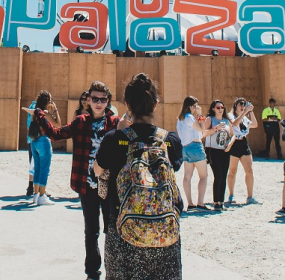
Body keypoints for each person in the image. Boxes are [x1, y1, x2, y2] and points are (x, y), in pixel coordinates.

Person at [94, 73, 183, 280]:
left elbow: (97, 171)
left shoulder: (114, 139)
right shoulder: (170, 140)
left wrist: (119, 134)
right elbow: (175, 168)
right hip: (164, 232)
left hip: (123, 231)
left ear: (127, 104)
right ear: (156, 104)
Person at [37, 80, 119, 280]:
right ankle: (92, 272)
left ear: (108, 101)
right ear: (88, 100)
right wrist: (40, 115)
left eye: (103, 99)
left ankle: (114, 271)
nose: (99, 103)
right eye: (95, 99)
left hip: (110, 186)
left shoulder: (115, 123)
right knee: (91, 231)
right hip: (86, 185)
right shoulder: (80, 121)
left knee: (112, 231)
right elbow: (56, 134)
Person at [175, 96, 216, 211]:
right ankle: (200, 203)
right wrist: (200, 115)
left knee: (187, 176)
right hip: (195, 146)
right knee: (203, 176)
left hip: (185, 147)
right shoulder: (189, 117)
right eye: (195, 106)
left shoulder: (180, 119)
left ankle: (190, 203)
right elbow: (202, 129)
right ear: (190, 106)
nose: (196, 108)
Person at [225, 98, 258, 206]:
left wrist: (251, 112)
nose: (242, 106)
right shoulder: (230, 115)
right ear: (235, 105)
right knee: (232, 170)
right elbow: (234, 124)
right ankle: (231, 195)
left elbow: (254, 124)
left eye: (244, 105)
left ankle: (250, 196)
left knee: (249, 170)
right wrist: (244, 112)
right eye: (240, 104)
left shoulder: (244, 118)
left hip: (243, 143)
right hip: (234, 143)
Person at [27, 90, 57, 205]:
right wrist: (55, 110)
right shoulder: (45, 113)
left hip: (34, 141)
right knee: (44, 169)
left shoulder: (35, 112)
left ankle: (35, 194)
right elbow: (58, 124)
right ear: (47, 101)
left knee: (37, 169)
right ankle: (42, 195)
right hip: (44, 141)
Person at [203, 99, 233, 210]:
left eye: (222, 107)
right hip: (212, 150)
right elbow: (203, 133)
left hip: (224, 150)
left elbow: (232, 135)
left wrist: (230, 144)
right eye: (218, 108)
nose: (220, 109)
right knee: (218, 175)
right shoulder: (210, 119)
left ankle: (221, 202)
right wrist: (215, 129)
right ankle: (216, 202)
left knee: (224, 176)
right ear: (213, 109)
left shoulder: (227, 121)